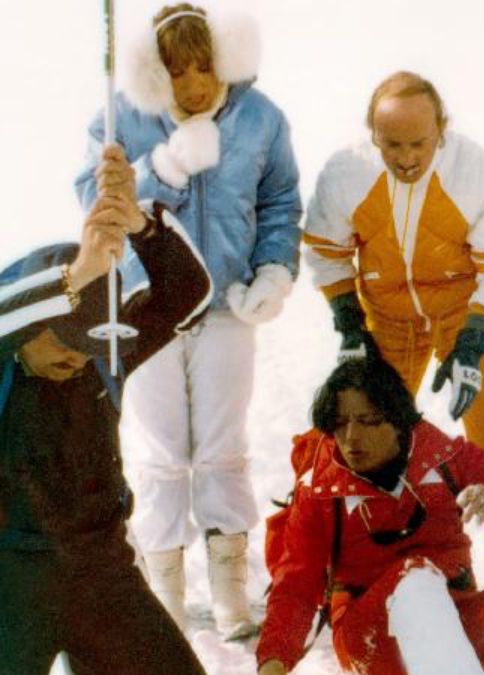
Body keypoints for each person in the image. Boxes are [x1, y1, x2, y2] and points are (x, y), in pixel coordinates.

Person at [74, 3, 302, 639]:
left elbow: (280, 200)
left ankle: (230, 593)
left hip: (228, 306)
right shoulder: (119, 122)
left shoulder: (260, 119)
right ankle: (164, 597)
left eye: (204, 67)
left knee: (224, 448)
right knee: (160, 453)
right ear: (155, 75)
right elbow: (96, 204)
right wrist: (163, 171)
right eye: (177, 72)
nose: (194, 84)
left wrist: (274, 270)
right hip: (148, 309)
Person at [303, 71, 484, 567]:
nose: (407, 158)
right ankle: (351, 557)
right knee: (363, 431)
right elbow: (326, 251)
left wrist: (474, 340)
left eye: (419, 143)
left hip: (465, 310)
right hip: (387, 316)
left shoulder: (474, 172)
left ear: (442, 131)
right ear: (372, 134)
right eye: (393, 144)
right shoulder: (347, 173)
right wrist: (350, 322)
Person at [0, 146, 210, 674]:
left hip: (99, 567)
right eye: (63, 337)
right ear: (29, 323)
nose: (77, 355)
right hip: (8, 575)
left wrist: (138, 220)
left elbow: (190, 291)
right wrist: (76, 276)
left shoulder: (105, 357)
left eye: (90, 343)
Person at [256, 358, 484, 675]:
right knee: (413, 576)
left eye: (368, 420)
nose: (351, 437)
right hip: (372, 642)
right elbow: (296, 586)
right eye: (340, 423)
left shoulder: (446, 457)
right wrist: (273, 659)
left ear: (399, 421)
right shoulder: (319, 490)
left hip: (459, 627)